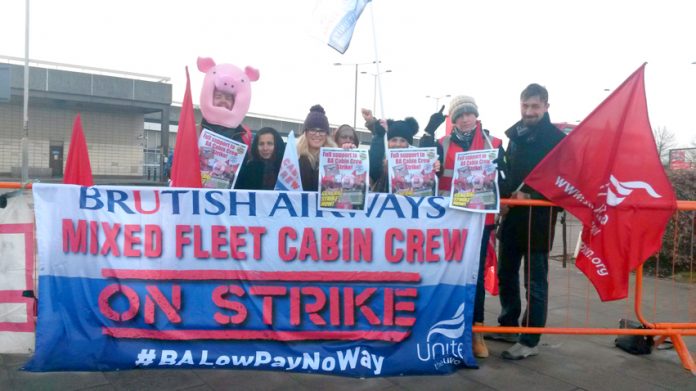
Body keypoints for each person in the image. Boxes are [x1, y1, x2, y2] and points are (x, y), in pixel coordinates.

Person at [420, 95, 505, 359]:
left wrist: (499, 172)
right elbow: (420, 168)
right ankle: (440, 324)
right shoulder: (442, 144)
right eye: (460, 115)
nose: (466, 119)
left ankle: (475, 331)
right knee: (444, 273)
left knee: (475, 277)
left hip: (480, 222)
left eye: (470, 114)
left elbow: (507, 178)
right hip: (450, 222)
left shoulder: (495, 143)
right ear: (454, 120)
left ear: (476, 116)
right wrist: (427, 135)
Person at [488, 83, 565, 360]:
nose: (529, 111)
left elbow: (562, 180)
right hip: (512, 217)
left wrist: (531, 194)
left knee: (535, 283)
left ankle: (530, 340)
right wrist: (504, 194)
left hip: (538, 220)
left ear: (546, 106)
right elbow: (511, 171)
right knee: (506, 274)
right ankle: (508, 324)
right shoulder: (516, 135)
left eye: (534, 106)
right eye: (525, 105)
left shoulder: (556, 140)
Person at [362, 109, 422, 193]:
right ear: (388, 142)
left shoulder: (417, 161)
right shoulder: (379, 157)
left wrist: (435, 166)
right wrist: (384, 171)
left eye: (402, 140)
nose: (398, 144)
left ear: (408, 144)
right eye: (394, 140)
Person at [296, 105, 337, 191]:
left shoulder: (334, 158)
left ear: (326, 134)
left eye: (321, 131)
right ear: (305, 132)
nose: (317, 134)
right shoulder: (295, 156)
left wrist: (350, 150)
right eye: (313, 130)